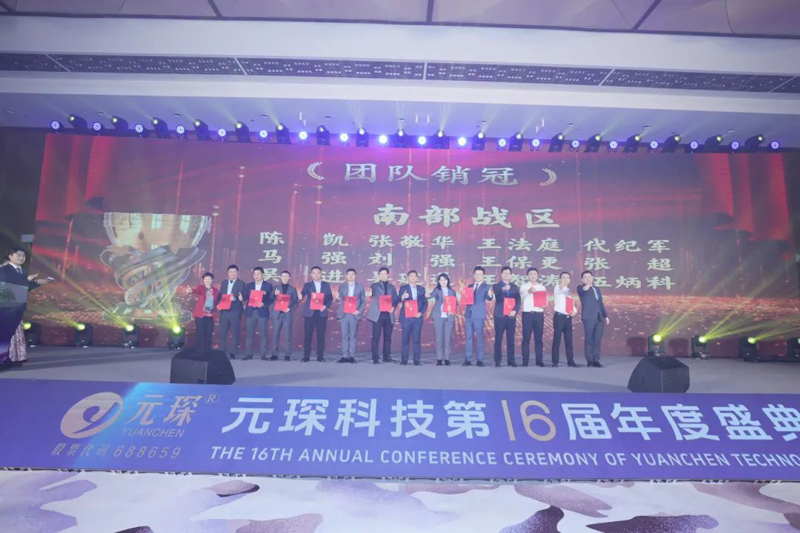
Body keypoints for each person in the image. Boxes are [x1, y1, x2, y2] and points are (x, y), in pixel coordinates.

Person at [0, 247, 51, 368]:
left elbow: (25, 286)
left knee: (9, 334)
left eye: (23, 256)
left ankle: (6, 358)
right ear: (10, 256)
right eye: (18, 255)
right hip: (7, 307)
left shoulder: (22, 270)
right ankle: (2, 360)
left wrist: (38, 283)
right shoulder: (4, 270)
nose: (21, 258)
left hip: (18, 306)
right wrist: (27, 279)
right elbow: (10, 284)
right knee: (3, 335)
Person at [577, 270, 610, 368]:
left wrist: (605, 316)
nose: (588, 278)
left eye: (589, 277)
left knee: (597, 340)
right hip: (588, 317)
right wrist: (587, 284)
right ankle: (589, 360)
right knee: (589, 339)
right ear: (582, 279)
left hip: (599, 317)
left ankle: (596, 359)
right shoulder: (580, 288)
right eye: (585, 277)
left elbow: (600, 303)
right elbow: (584, 290)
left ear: (592, 278)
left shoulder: (597, 289)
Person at [366, 267, 399, 364]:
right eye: (381, 274)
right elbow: (372, 293)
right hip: (378, 314)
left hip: (388, 314)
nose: (383, 275)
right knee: (376, 337)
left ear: (388, 275)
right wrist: (370, 293)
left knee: (388, 337)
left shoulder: (392, 287)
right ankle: (375, 357)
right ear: (379, 275)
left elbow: (395, 299)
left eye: (385, 274)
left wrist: (393, 306)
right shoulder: (375, 285)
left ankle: (386, 356)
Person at [462, 266, 493, 367]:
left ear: (483, 275)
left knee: (479, 338)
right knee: (469, 337)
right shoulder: (470, 286)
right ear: (474, 275)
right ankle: (467, 359)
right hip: (469, 314)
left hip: (479, 315)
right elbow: (466, 299)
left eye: (480, 274)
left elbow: (489, 297)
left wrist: (490, 295)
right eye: (476, 274)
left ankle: (479, 360)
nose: (478, 276)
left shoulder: (486, 287)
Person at [300, 266, 333, 362]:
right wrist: (300, 296)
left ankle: (320, 356)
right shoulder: (307, 285)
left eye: (318, 272)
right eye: (314, 273)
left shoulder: (326, 285)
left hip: (321, 313)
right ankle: (306, 356)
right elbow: (302, 295)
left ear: (321, 274)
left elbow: (330, 299)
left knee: (321, 335)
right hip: (310, 313)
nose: (316, 275)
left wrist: (325, 306)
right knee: (307, 335)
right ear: (311, 275)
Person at [492, 266, 521, 367]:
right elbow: (498, 295)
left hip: (511, 316)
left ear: (511, 275)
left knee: (511, 339)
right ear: (501, 274)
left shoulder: (514, 287)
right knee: (498, 339)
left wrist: (515, 311)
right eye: (504, 273)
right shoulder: (496, 286)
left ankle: (511, 361)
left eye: (508, 273)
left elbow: (518, 300)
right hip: (500, 316)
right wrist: (503, 289)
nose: (506, 275)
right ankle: (497, 361)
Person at [336, 268, 366, 364]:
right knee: (344, 336)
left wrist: (359, 311)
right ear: (346, 276)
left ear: (355, 276)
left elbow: (363, 301)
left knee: (353, 336)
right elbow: (339, 299)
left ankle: (352, 356)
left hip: (354, 314)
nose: (351, 276)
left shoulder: (360, 287)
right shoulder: (342, 286)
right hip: (344, 313)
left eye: (353, 274)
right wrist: (337, 298)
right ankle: (344, 356)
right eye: (349, 274)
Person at [216, 264, 246, 359]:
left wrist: (235, 298)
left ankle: (233, 352)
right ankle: (221, 352)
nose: (232, 273)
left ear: (237, 273)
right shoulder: (224, 283)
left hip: (235, 311)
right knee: (222, 332)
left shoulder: (241, 283)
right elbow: (220, 295)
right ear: (228, 273)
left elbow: (241, 295)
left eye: (234, 271)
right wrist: (218, 304)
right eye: (230, 272)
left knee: (235, 332)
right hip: (224, 311)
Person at [398, 270, 428, 366]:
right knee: (405, 339)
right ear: (408, 278)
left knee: (416, 340)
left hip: (417, 318)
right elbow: (398, 299)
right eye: (411, 276)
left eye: (415, 276)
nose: (413, 277)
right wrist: (403, 297)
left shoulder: (421, 289)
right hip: (406, 318)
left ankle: (416, 360)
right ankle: (404, 359)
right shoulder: (403, 288)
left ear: (417, 278)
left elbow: (425, 303)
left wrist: (421, 313)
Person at [243, 266, 273, 361]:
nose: (256, 276)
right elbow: (245, 296)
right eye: (255, 274)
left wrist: (264, 303)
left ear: (262, 275)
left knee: (263, 334)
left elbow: (271, 299)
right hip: (250, 312)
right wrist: (241, 297)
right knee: (249, 334)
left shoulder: (268, 286)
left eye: (258, 274)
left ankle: (263, 355)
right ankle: (248, 354)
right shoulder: (249, 285)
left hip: (262, 312)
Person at [520, 267, 547, 367]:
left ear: (537, 276)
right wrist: (529, 291)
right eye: (531, 274)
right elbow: (522, 296)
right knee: (526, 338)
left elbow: (545, 300)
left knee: (538, 339)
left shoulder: (542, 287)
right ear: (527, 275)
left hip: (539, 315)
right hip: (527, 315)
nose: (533, 276)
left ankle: (539, 360)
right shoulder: (524, 286)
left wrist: (544, 305)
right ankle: (525, 361)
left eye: (535, 274)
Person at [270, 270, 299, 361]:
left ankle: (287, 355)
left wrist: (290, 309)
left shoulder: (293, 289)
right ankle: (274, 354)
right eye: (283, 276)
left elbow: (295, 303)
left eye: (286, 276)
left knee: (287, 335)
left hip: (287, 314)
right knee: (275, 335)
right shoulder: (275, 288)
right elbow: (270, 300)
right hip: (277, 314)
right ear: (280, 277)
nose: (285, 278)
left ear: (289, 277)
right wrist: (274, 295)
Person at [428, 273, 456, 366]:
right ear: (439, 282)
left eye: (445, 279)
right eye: (441, 280)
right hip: (438, 317)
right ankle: (439, 358)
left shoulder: (452, 291)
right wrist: (427, 295)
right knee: (439, 338)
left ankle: (447, 358)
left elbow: (455, 303)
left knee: (448, 339)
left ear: (448, 281)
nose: (443, 281)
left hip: (449, 317)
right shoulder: (437, 290)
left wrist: (452, 310)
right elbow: (430, 295)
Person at [552, 271, 578, 367]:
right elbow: (560, 291)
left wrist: (575, 311)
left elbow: (570, 303)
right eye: (563, 277)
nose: (566, 279)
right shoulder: (557, 288)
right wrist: (563, 284)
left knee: (569, 341)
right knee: (557, 340)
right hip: (559, 317)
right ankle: (555, 361)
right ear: (560, 279)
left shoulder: (568, 290)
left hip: (568, 318)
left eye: (567, 278)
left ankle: (570, 361)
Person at [186, 272, 218, 350]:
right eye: (205, 279)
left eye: (209, 279)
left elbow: (217, 301)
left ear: (212, 280)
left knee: (208, 334)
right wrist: (190, 291)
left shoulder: (216, 290)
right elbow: (196, 290)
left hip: (211, 316)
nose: (207, 281)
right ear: (203, 280)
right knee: (199, 333)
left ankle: (207, 351)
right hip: (200, 315)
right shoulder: (201, 287)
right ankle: (198, 350)